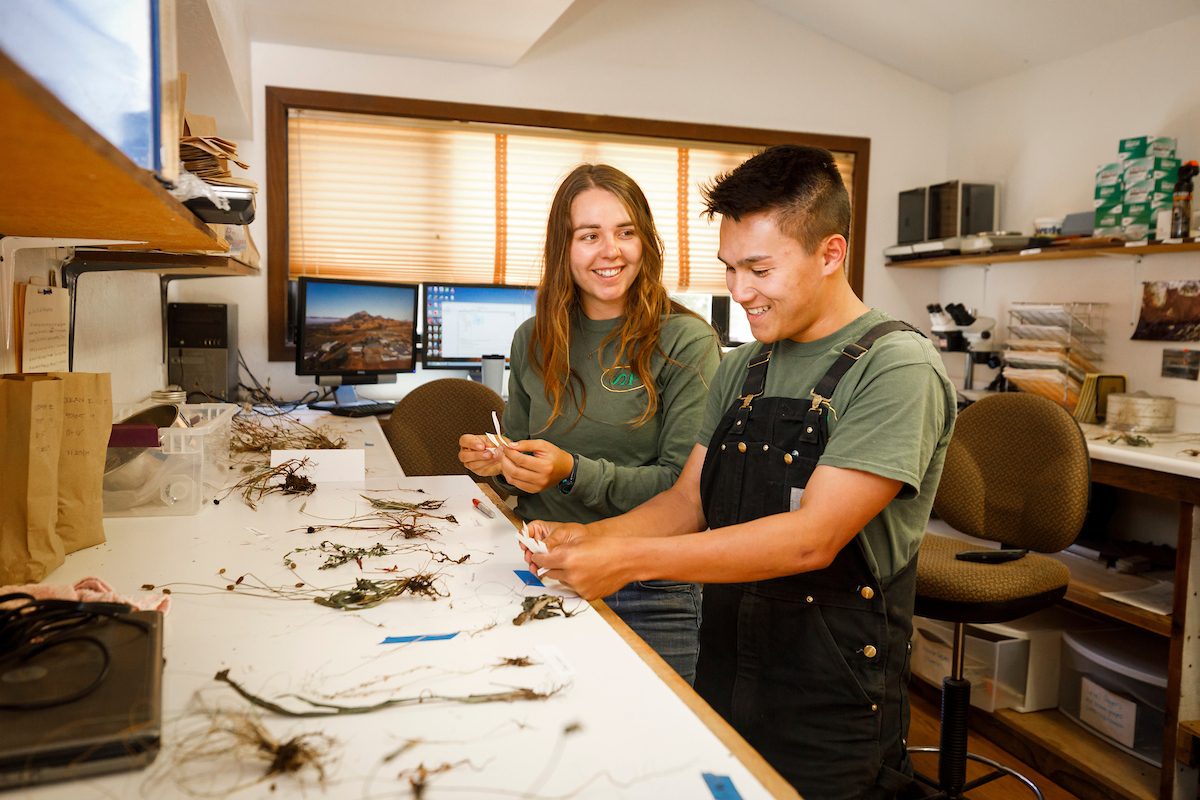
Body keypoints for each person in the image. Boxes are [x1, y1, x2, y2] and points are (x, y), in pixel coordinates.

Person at [526, 145, 956, 800]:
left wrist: (632, 561)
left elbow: (812, 539)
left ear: (831, 254)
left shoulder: (895, 367)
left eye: (759, 269)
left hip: (832, 691)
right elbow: (686, 503)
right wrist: (591, 540)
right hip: (728, 668)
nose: (739, 291)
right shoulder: (743, 367)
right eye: (730, 268)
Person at [458, 163, 721, 685]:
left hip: (647, 584)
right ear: (564, 248)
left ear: (646, 241)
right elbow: (521, 462)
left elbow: (685, 491)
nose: (611, 251)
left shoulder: (687, 341)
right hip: (537, 567)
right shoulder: (532, 338)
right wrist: (497, 461)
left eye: (626, 233)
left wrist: (571, 471)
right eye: (590, 235)